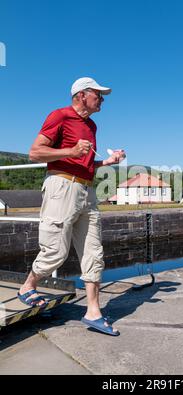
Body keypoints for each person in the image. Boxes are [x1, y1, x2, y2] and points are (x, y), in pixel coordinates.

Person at [18, 77, 126, 336]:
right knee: (55, 250)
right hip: (62, 187)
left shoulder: (92, 126)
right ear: (81, 95)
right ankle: (27, 287)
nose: (102, 99)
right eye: (98, 94)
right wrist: (70, 150)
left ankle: (92, 311)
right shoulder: (60, 116)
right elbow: (35, 152)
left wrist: (107, 162)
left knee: (93, 252)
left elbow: (85, 161)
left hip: (87, 190)